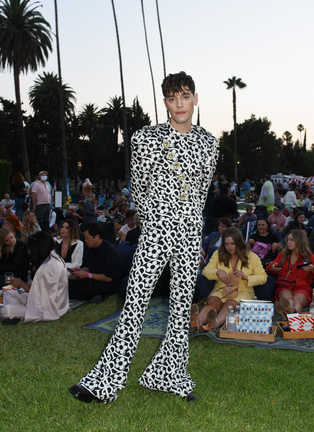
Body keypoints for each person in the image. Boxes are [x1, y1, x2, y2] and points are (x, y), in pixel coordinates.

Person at [71, 72, 218, 404]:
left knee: (181, 308)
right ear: (164, 102)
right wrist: (157, 223)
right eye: (171, 98)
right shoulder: (146, 138)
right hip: (156, 231)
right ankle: (103, 383)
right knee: (134, 302)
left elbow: (200, 192)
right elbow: (139, 188)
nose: (178, 104)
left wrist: (192, 236)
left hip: (190, 231)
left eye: (184, 96)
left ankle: (171, 376)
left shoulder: (209, 143)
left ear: (196, 98)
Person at [0, 231, 70, 325]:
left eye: (31, 250)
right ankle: (16, 311)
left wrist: (21, 284)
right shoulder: (53, 257)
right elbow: (40, 289)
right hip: (41, 302)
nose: (30, 253)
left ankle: (4, 310)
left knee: (6, 311)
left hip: (47, 309)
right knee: (8, 292)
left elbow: (43, 298)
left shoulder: (48, 267)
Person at [194, 228, 268, 332]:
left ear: (239, 242)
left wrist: (247, 277)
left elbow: (263, 277)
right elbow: (206, 271)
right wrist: (217, 271)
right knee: (213, 303)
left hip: (243, 292)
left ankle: (214, 324)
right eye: (227, 244)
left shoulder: (252, 257)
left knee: (230, 304)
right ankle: (196, 323)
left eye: (232, 244)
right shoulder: (218, 254)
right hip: (221, 289)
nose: (229, 247)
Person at [266, 230, 314, 315]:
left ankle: (289, 315)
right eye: (288, 240)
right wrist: (272, 267)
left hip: (302, 286)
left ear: (299, 241)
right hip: (284, 285)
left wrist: (312, 269)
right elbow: (269, 268)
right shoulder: (282, 255)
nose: (288, 242)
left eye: (291, 240)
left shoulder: (309, 256)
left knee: (298, 300)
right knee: (287, 299)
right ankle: (293, 316)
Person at [68, 223, 121, 302]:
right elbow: (89, 268)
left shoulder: (110, 251)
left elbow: (109, 278)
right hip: (92, 280)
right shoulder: (90, 249)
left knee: (92, 288)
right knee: (68, 284)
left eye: (87, 238)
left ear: (97, 237)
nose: (85, 241)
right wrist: (80, 271)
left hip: (107, 284)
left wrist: (87, 275)